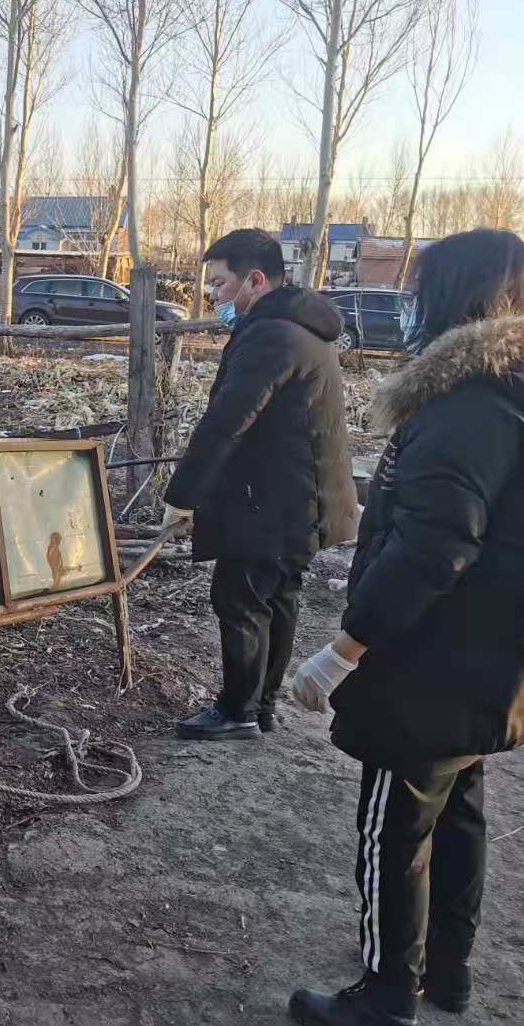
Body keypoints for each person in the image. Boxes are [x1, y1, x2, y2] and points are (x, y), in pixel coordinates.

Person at [287, 230, 524, 1026]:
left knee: (392, 829)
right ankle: (445, 972)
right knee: (458, 811)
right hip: (494, 658)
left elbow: (431, 549)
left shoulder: (466, 407)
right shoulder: (522, 392)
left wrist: (344, 650)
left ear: (454, 299)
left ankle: (385, 992)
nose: (407, 307)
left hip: (431, 664)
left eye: (416, 292)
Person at [162, 228, 357, 741]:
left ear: (254, 280)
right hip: (300, 500)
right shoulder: (302, 329)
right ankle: (260, 705)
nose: (214, 295)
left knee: (241, 600)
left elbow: (227, 421)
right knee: (277, 599)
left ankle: (238, 711)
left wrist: (182, 497)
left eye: (220, 283)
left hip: (270, 503)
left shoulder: (271, 335)